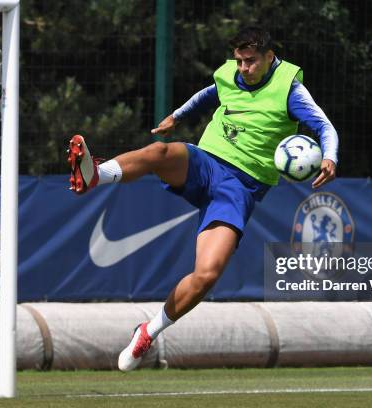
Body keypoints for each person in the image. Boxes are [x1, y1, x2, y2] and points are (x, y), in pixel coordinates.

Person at [66, 26, 339, 371]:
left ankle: (148, 331)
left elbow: (325, 126)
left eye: (251, 61)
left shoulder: (290, 89)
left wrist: (330, 156)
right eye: (239, 61)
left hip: (241, 187)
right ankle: (95, 176)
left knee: (207, 275)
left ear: (270, 57)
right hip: (206, 162)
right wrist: (177, 117)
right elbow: (209, 94)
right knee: (160, 152)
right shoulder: (231, 74)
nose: (243, 68)